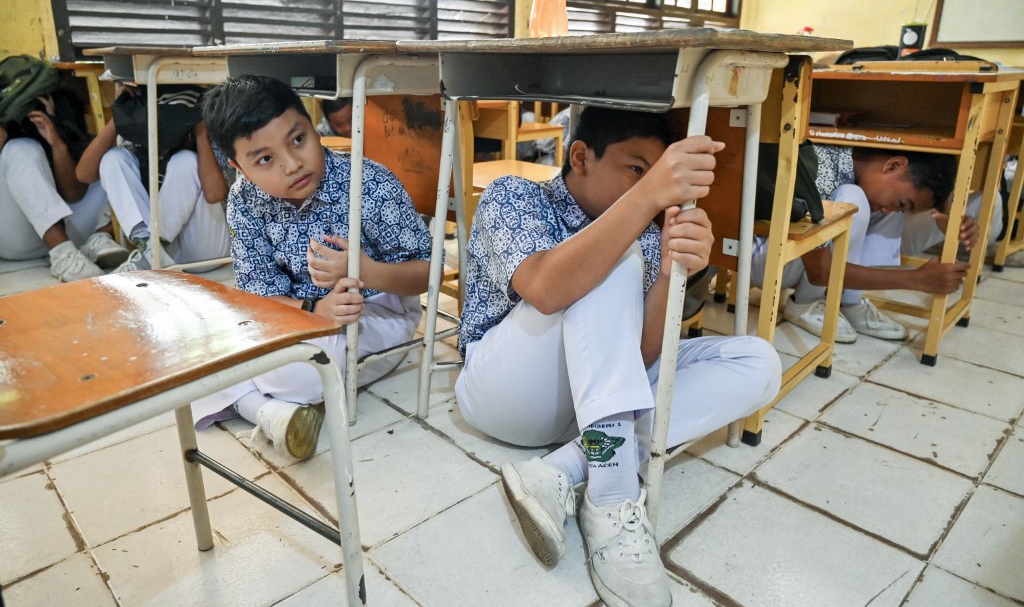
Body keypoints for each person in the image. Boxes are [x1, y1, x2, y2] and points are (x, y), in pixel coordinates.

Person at [455, 106, 781, 607]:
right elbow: (545, 288)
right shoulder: (515, 194)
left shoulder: (647, 234)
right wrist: (648, 198)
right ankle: (611, 499)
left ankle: (565, 468)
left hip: (591, 401)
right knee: (610, 257)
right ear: (581, 157)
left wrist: (673, 268)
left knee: (758, 363)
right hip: (504, 390)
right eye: (637, 169)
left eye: (657, 175)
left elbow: (642, 351)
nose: (652, 187)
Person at [193, 75, 431, 460]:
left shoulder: (366, 182)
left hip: (375, 310)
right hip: (297, 314)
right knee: (193, 343)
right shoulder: (244, 199)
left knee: (292, 372)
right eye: (265, 159)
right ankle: (270, 414)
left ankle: (255, 404)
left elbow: (427, 271)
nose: (292, 165)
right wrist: (313, 311)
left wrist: (365, 270)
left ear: (311, 123)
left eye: (298, 139)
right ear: (240, 168)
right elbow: (260, 296)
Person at [754, 143, 970, 343]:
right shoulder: (824, 170)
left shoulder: (852, 160)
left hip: (785, 252)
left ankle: (848, 301)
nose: (890, 210)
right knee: (854, 200)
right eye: (902, 203)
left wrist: (950, 214)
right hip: (761, 257)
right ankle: (805, 304)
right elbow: (819, 272)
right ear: (894, 165)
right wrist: (916, 279)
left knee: (877, 203)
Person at [75, 84, 232, 271]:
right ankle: (148, 248)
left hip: (205, 250)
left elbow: (215, 195)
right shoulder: (140, 141)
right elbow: (84, 174)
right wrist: (122, 115)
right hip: (163, 255)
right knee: (114, 158)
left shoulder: (199, 141)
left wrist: (199, 132)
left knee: (186, 160)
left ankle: (150, 254)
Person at [0, 91, 127, 281]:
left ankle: (100, 238)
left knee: (114, 157)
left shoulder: (60, 111)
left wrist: (57, 142)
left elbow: (73, 193)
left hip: (71, 235)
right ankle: (62, 254)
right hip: (17, 239)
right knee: (20, 148)